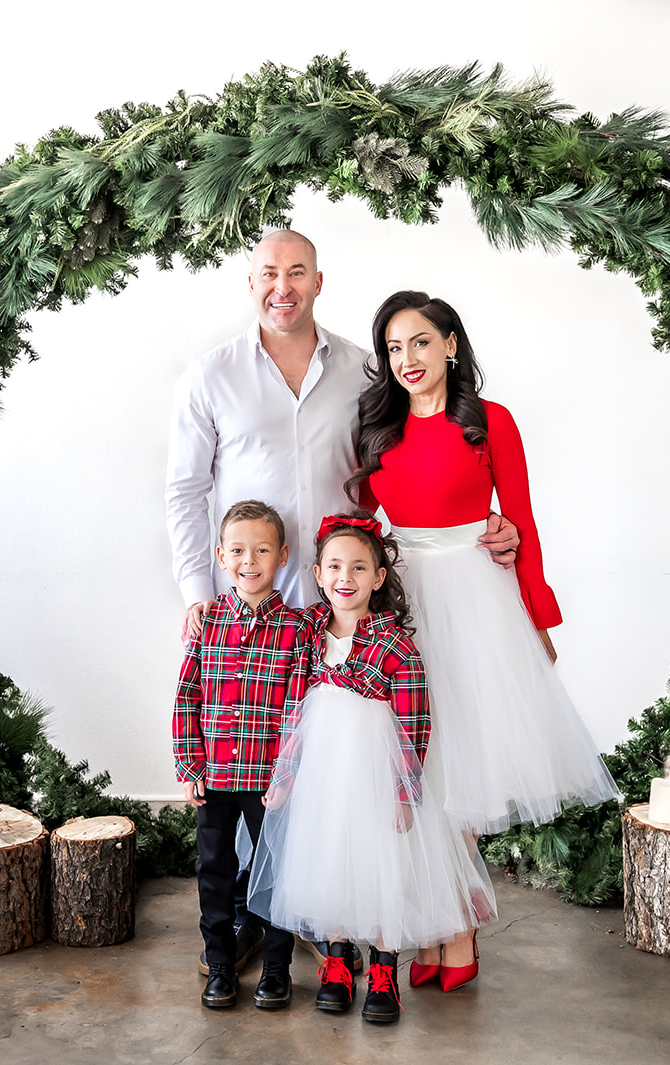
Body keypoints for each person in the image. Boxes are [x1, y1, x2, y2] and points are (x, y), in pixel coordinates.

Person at [164, 231, 521, 975]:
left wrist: (476, 527)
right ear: (250, 282)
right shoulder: (212, 375)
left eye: (297, 272)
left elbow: (407, 461)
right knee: (249, 763)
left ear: (319, 281)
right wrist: (200, 592)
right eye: (269, 273)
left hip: (344, 603)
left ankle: (334, 918)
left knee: (345, 760)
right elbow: (185, 491)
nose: (282, 286)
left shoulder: (362, 370)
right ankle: (256, 918)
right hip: (254, 605)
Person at [350, 291, 621, 988]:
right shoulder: (377, 427)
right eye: (392, 348)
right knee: (419, 763)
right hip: (404, 602)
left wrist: (537, 618)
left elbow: (521, 520)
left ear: (450, 344)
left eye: (419, 342)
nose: (406, 359)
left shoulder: (489, 422)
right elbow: (361, 524)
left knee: (461, 763)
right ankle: (445, 928)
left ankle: (456, 934)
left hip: (476, 603)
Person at [246, 513, 495, 1025]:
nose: (346, 577)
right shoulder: (309, 636)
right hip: (324, 779)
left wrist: (404, 794)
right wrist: (284, 780)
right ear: (318, 574)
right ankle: (337, 964)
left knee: (384, 867)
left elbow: (414, 726)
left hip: (376, 776)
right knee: (330, 864)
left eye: (359, 567)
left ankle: (384, 970)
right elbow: (294, 715)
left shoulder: (396, 645)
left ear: (379, 578)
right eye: (335, 566)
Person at [171, 500, 305, 1010]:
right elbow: (186, 698)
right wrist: (190, 765)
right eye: (239, 551)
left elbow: (298, 711)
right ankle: (221, 966)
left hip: (270, 783)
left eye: (262, 550)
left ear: (282, 556)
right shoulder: (206, 625)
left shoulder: (296, 630)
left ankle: (276, 969)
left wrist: (286, 775)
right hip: (216, 776)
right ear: (222, 556)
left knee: (277, 873)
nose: (250, 561)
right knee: (215, 871)